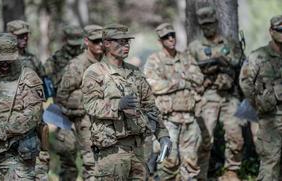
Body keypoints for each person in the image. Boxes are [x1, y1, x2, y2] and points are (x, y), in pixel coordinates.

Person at [81, 24, 171, 180]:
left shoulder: (134, 72)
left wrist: (163, 135)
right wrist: (118, 105)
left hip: (138, 148)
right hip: (112, 151)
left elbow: (150, 107)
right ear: (107, 43)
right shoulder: (95, 72)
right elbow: (90, 105)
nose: (126, 46)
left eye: (127, 42)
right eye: (120, 42)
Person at [188, 6, 244, 181]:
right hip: (208, 96)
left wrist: (226, 63)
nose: (208, 28)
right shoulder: (195, 47)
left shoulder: (230, 42)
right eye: (204, 25)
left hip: (229, 96)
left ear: (216, 23)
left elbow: (239, 63)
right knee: (205, 140)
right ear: (200, 26)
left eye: (210, 24)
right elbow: (188, 72)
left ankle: (231, 172)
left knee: (236, 137)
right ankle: (201, 175)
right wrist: (205, 72)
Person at [144, 23, 204, 180]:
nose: (170, 38)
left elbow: (199, 78)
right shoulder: (154, 60)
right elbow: (152, 84)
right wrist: (180, 82)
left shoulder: (186, 58)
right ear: (160, 40)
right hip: (168, 120)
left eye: (172, 35)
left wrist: (170, 82)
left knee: (191, 163)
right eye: (166, 37)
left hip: (189, 119)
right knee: (169, 161)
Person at [0, 33, 44, 180]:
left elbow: (34, 115)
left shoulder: (27, 77)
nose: (5, 63)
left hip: (15, 154)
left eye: (9, 59)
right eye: (0, 59)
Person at [55, 24, 103, 181]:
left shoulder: (107, 63)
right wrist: (78, 108)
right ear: (87, 41)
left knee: (99, 164)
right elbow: (61, 95)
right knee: (88, 163)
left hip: (102, 121)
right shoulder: (77, 65)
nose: (100, 44)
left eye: (103, 41)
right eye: (96, 41)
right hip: (80, 121)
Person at [239, 15, 282, 181]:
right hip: (270, 120)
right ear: (271, 31)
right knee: (270, 166)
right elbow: (245, 83)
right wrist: (260, 103)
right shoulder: (258, 56)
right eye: (279, 30)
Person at [44, 25, 84, 92]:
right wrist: (67, 70)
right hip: (63, 97)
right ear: (64, 40)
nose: (75, 49)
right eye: (72, 46)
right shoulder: (54, 60)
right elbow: (51, 83)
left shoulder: (86, 56)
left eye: (77, 46)